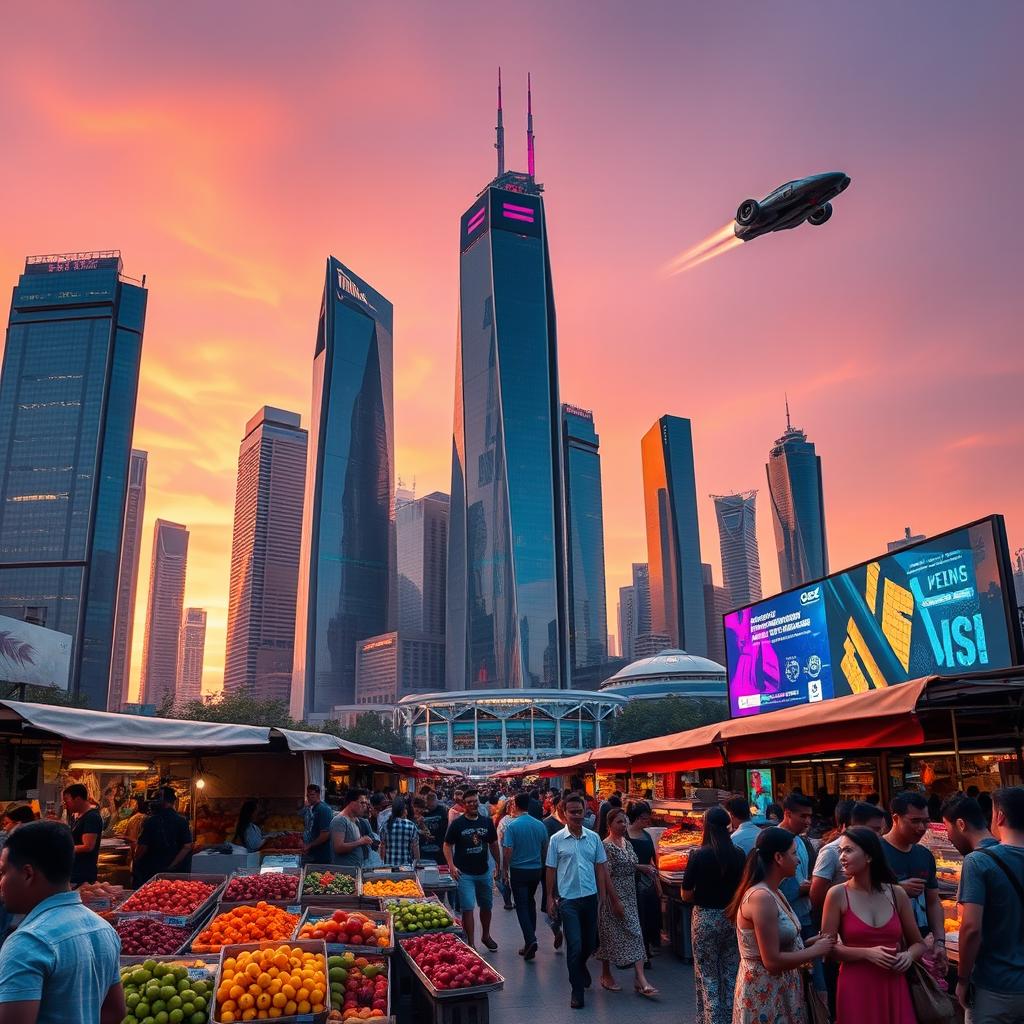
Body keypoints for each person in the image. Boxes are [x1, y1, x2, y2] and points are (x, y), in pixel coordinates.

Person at [0, 821, 124, 1023]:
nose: (1, 882)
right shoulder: (103, 929)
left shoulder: (27, 942)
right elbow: (115, 1012)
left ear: (27, 874)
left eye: (3, 872)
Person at [728, 827, 835, 1024]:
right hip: (765, 991)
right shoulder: (761, 897)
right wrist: (815, 951)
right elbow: (772, 961)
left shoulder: (774, 892)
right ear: (778, 857)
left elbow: (782, 941)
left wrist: (813, 942)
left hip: (780, 988)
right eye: (794, 853)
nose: (798, 860)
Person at [821, 827, 924, 1023]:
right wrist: (867, 953)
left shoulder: (897, 894)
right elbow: (828, 948)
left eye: (848, 850)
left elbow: (918, 943)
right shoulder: (836, 894)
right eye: (840, 851)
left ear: (869, 856)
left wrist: (909, 956)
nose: (842, 857)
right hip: (855, 985)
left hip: (893, 983)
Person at [954, 786, 1024, 1022]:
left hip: (994, 987)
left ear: (1000, 816)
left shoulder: (979, 862)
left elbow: (971, 928)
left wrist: (962, 979)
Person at [545, 793, 609, 1010]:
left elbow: (601, 867)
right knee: (574, 944)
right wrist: (550, 898)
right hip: (568, 900)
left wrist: (602, 896)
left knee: (590, 944)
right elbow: (551, 869)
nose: (577, 816)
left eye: (580, 812)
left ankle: (581, 967)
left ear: (584, 811)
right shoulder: (556, 840)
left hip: (590, 898)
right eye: (572, 812)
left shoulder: (594, 838)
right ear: (564, 813)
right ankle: (577, 990)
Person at [681, 806, 745, 1024]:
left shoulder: (699, 855)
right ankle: (731, 1018)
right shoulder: (739, 854)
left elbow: (686, 894)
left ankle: (710, 1019)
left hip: (705, 919)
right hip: (732, 917)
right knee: (730, 971)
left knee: (707, 974)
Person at [881, 791, 947, 974]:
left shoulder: (924, 855)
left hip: (923, 944)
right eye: (915, 821)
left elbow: (933, 902)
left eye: (925, 821)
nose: (921, 827)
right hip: (887, 948)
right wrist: (898, 889)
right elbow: (857, 894)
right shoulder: (876, 852)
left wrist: (939, 942)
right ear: (896, 818)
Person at [595, 807, 656, 997]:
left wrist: (642, 867)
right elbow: (606, 875)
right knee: (609, 938)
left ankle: (640, 979)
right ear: (609, 825)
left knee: (636, 934)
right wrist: (614, 901)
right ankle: (606, 974)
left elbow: (629, 864)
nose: (623, 826)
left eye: (625, 822)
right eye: (619, 822)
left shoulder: (626, 843)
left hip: (630, 895)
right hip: (615, 896)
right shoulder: (606, 846)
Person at [777, 794, 824, 998]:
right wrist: (802, 889)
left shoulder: (802, 842)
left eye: (810, 816)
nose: (808, 821)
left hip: (804, 917)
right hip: (785, 925)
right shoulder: (774, 841)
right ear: (787, 814)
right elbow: (773, 887)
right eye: (803, 816)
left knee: (813, 982)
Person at [444, 789, 500, 952]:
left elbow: (493, 844)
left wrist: (498, 864)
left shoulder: (487, 822)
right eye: (469, 802)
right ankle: (471, 942)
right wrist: (451, 865)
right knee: (468, 908)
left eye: (475, 801)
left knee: (486, 906)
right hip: (465, 874)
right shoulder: (457, 824)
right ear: (464, 805)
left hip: (484, 872)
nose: (473, 804)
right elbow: (447, 845)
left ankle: (486, 935)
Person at [810, 800, 887, 915]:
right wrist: (835, 915)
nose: (879, 835)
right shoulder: (831, 851)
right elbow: (816, 894)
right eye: (874, 829)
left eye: (880, 830)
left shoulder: (877, 849)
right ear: (856, 826)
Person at [501, 792, 550, 960]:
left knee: (521, 905)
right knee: (530, 902)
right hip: (536, 869)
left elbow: (508, 850)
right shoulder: (540, 825)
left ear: (515, 805)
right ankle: (529, 941)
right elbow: (545, 848)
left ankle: (531, 939)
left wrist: (504, 870)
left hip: (518, 870)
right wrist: (543, 866)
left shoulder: (512, 826)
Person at [625, 801, 662, 964]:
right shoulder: (625, 836)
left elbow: (654, 861)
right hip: (630, 882)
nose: (648, 822)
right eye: (646, 819)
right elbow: (620, 861)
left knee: (649, 917)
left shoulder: (647, 835)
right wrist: (640, 868)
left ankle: (646, 947)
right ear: (637, 818)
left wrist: (657, 883)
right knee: (637, 917)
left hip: (648, 884)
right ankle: (640, 953)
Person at [133, 787, 192, 886]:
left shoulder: (150, 821)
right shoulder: (182, 821)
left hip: (151, 872)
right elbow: (187, 846)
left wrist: (135, 860)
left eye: (157, 798)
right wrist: (172, 866)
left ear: (163, 800)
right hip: (175, 873)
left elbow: (142, 847)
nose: (153, 802)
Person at [62, 784, 103, 887]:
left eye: (67, 800)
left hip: (83, 875)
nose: (65, 804)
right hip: (74, 872)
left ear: (78, 799)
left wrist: (64, 849)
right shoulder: (77, 817)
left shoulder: (91, 817)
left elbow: (88, 846)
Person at [542, 795, 566, 949]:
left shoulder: (576, 825)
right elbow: (545, 850)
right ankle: (556, 929)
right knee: (552, 903)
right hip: (554, 870)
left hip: (569, 872)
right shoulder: (548, 823)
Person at [330, 789, 373, 867]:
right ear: (351, 803)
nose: (365, 806)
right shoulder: (340, 820)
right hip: (344, 872)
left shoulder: (356, 820)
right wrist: (360, 842)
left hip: (355, 870)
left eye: (366, 804)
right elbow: (338, 848)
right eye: (362, 803)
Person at [381, 797, 420, 867]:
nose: (407, 812)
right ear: (403, 811)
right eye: (406, 809)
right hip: (406, 867)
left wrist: (382, 864)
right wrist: (415, 865)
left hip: (389, 867)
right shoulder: (411, 825)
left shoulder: (386, 825)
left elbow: (382, 847)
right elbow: (416, 849)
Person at [302, 784, 333, 864]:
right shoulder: (314, 808)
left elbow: (325, 834)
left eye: (312, 795)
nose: (309, 798)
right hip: (314, 853)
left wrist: (310, 845)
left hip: (322, 855)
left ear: (318, 795)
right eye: (308, 795)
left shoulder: (323, 809)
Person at [419, 789, 448, 865]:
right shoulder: (422, 811)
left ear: (436, 802)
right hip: (424, 851)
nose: (430, 807)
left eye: (432, 805)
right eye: (428, 805)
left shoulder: (443, 810)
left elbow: (447, 827)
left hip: (439, 849)